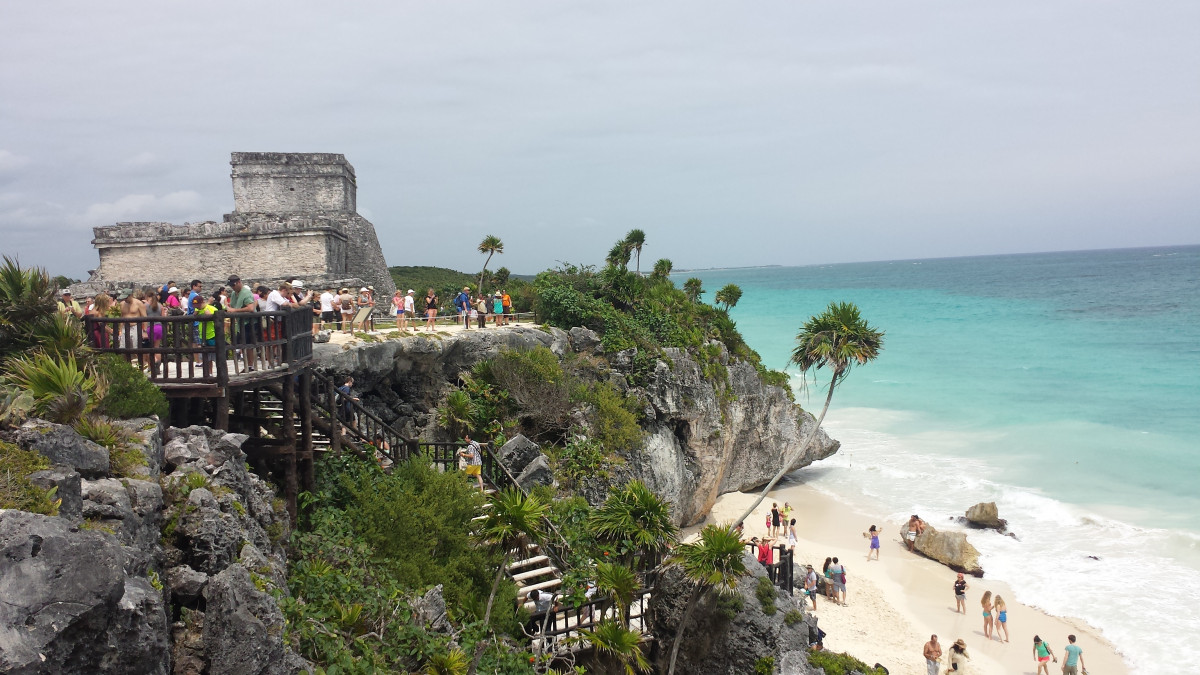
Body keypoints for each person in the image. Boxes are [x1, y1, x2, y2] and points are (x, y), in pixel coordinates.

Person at [225, 276, 259, 372]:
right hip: (240, 323)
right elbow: (232, 306)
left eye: (233, 285)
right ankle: (247, 365)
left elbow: (251, 308)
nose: (232, 287)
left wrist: (234, 310)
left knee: (249, 345)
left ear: (239, 282)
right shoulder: (233, 293)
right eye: (231, 285)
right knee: (242, 344)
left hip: (249, 323)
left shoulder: (246, 293)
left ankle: (250, 366)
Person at [192, 294, 218, 376]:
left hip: (212, 335)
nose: (197, 307)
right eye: (195, 305)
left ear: (203, 302)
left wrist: (209, 314)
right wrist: (196, 311)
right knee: (206, 356)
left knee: (216, 355)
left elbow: (217, 319)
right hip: (202, 336)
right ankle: (209, 373)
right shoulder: (198, 310)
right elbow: (194, 314)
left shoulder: (212, 308)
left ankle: (220, 373)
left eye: (198, 305)